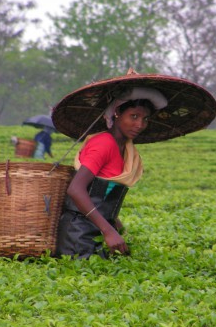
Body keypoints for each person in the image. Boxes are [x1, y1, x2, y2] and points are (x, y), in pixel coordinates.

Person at [55, 87, 167, 259]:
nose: (140, 124)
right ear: (117, 114)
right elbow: (76, 189)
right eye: (134, 116)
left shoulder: (124, 149)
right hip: (78, 235)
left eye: (145, 119)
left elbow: (103, 198)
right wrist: (108, 231)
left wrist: (117, 228)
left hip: (97, 230)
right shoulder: (104, 144)